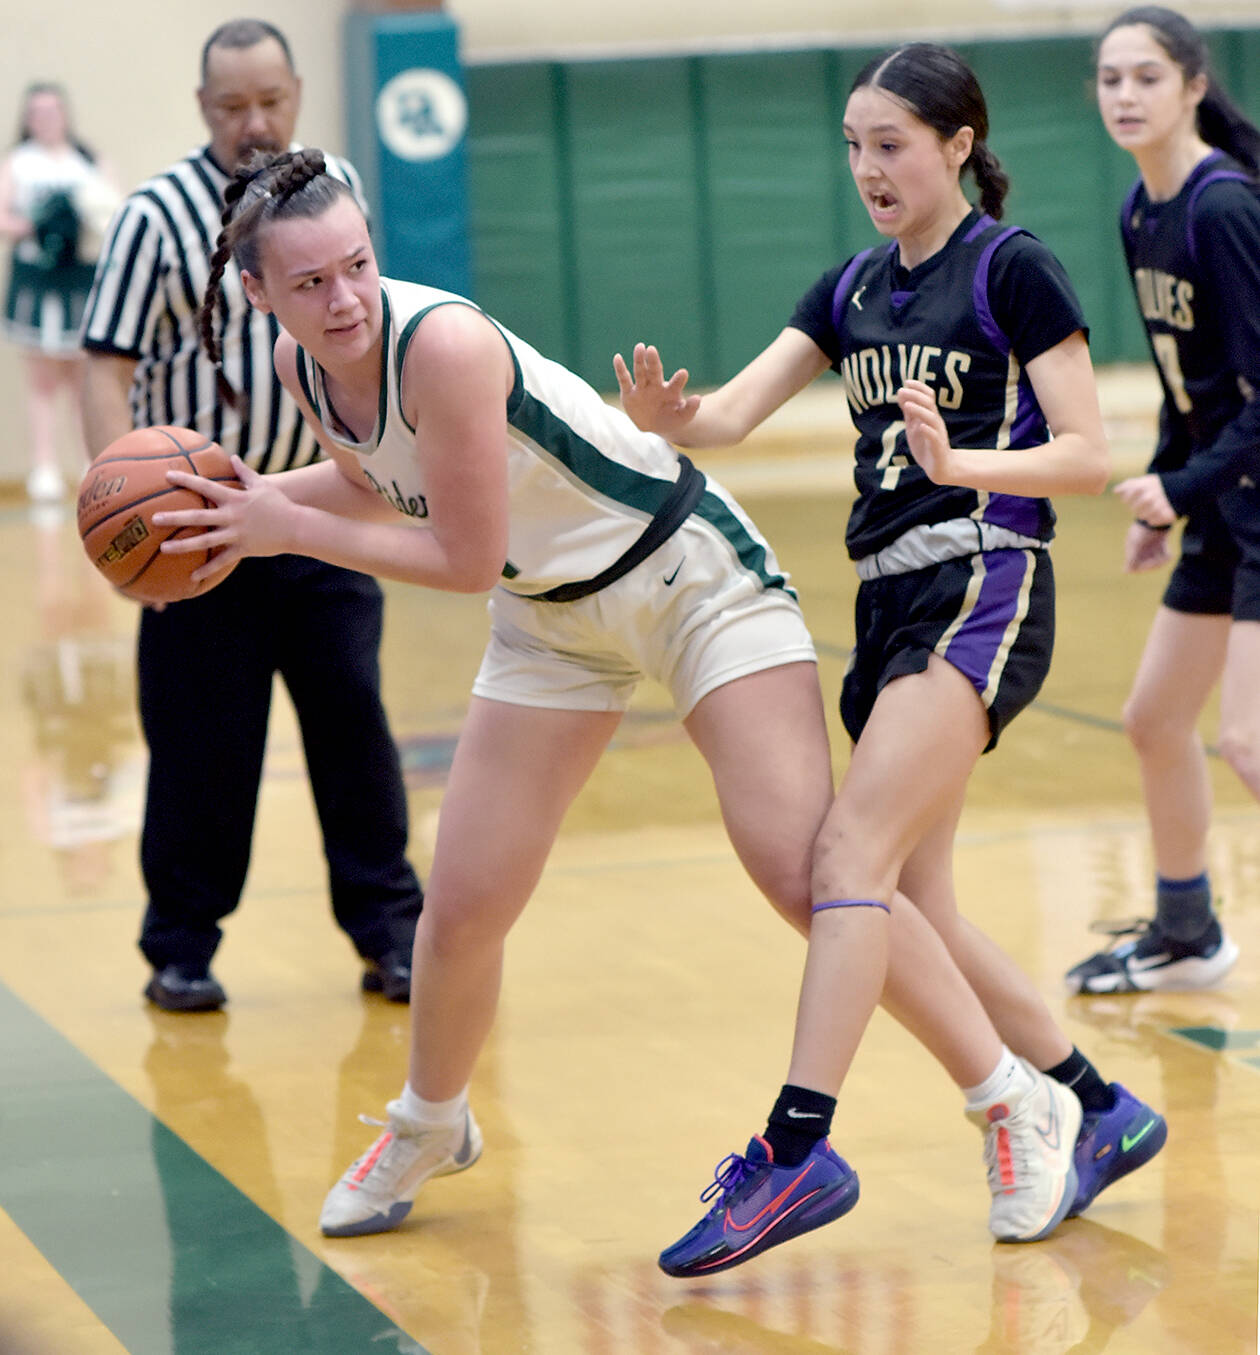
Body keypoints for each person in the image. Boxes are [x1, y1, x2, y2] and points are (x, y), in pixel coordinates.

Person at [156, 134, 1157, 1265]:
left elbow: (464, 553)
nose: (342, 297)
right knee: (465, 903)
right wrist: (241, 499)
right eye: (310, 282)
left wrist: (279, 531)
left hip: (688, 576)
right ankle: (430, 1122)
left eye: (355, 264)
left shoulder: (439, 342)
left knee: (807, 872)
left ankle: (1014, 1098)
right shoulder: (308, 371)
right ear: (257, 292)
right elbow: (385, 473)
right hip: (554, 613)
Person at [613, 42, 1166, 1276]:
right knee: (912, 904)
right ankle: (1101, 1106)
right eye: (856, 143)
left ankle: (803, 1142)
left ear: (958, 144)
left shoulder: (1010, 270)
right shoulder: (849, 286)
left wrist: (963, 463)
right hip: (885, 600)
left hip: (984, 574)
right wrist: (670, 423)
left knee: (844, 858)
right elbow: (734, 417)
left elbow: (1087, 449)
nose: (868, 165)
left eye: (892, 144)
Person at [79, 20, 424, 1012]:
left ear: (298, 93)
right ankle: (180, 946)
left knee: (355, 729)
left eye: (271, 99)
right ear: (203, 110)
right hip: (192, 526)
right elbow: (107, 365)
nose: (255, 122)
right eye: (233, 106)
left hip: (319, 508)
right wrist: (120, 505)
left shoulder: (336, 194)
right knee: (201, 749)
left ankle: (391, 934)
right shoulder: (154, 217)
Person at [1064, 5, 1257, 996]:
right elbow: (1195, 384)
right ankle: (1188, 933)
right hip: (1227, 499)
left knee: (1249, 740)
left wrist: (1179, 485)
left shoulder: (1223, 208)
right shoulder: (1143, 210)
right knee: (1154, 719)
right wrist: (1163, 501)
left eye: (1146, 77)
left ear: (1192, 86)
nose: (1125, 96)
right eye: (1110, 79)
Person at [1, 82, 116, 502]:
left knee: (81, 377)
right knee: (41, 380)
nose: (47, 119)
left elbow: (112, 210)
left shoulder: (86, 160)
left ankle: (90, 462)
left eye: (53, 111)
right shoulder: (18, 163)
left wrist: (82, 221)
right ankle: (44, 466)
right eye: (38, 113)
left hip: (79, 278)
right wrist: (40, 224)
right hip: (38, 276)